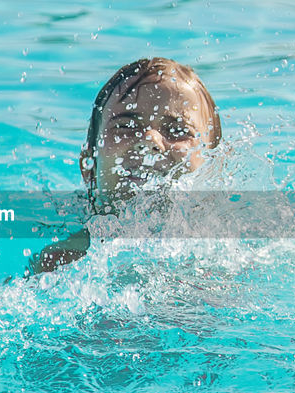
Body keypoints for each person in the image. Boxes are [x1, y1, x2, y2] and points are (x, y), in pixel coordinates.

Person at [28, 57, 222, 274]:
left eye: (177, 130)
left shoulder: (233, 253)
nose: (150, 140)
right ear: (89, 168)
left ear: (214, 170)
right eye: (127, 126)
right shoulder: (61, 263)